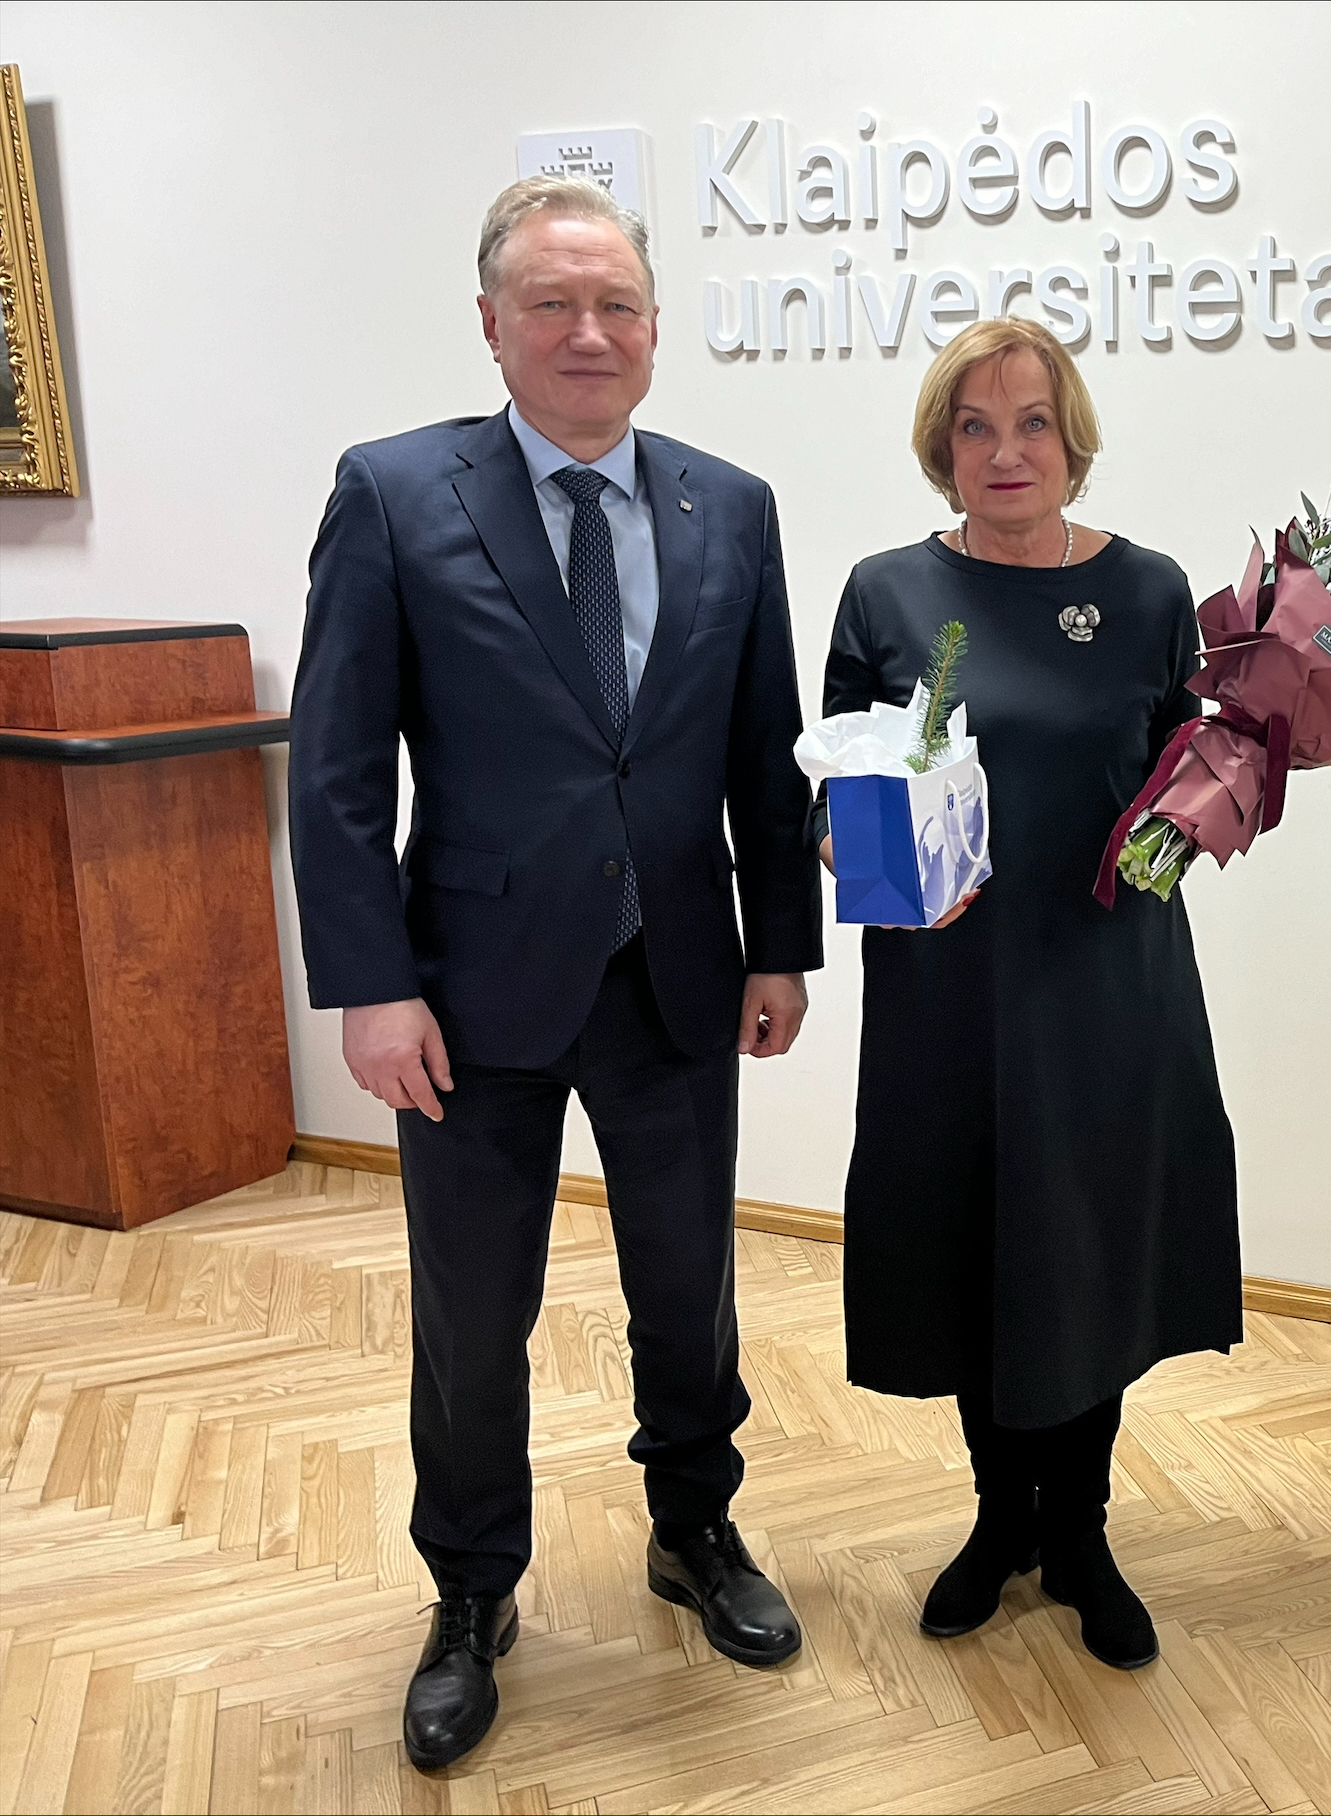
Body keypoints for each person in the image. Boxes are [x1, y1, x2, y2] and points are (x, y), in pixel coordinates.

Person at [289, 175, 820, 1771]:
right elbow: (337, 768)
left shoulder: (731, 506)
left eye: (618, 306)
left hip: (678, 974)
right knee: (473, 1311)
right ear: (492, 325)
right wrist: (371, 984)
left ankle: (695, 1529)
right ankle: (469, 1592)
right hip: (466, 994)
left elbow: (763, 753)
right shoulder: (394, 493)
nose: (590, 333)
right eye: (553, 304)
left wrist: (782, 944)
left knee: (689, 1285)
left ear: (654, 330)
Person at [814, 315, 1240, 1671]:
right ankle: (1002, 1521)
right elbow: (828, 782)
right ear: (943, 446)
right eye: (977, 426)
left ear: (1073, 439)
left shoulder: (1150, 591)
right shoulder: (885, 594)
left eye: (1033, 422)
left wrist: (1227, 796)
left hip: (1108, 986)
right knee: (973, 1247)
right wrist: (853, 843)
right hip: (948, 994)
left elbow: (1201, 768)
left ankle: (1084, 1537)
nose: (1007, 451)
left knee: (1087, 1250)